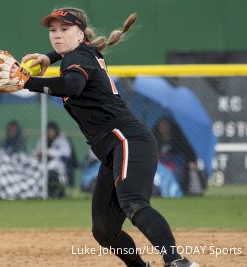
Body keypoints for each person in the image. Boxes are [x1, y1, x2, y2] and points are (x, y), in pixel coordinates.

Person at [19, 7, 198, 267]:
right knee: (103, 229)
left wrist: (26, 81)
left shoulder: (77, 59)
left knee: (134, 204)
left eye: (64, 29)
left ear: (80, 33)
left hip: (127, 140)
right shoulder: (85, 53)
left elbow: (72, 86)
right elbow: (74, 61)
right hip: (115, 149)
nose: (57, 35)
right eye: (52, 30)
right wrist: (49, 58)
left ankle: (177, 261)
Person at [153, 117, 205, 196]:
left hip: (175, 164)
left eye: (166, 125)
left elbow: (186, 153)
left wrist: (191, 161)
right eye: (162, 125)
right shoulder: (154, 140)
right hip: (160, 165)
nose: (164, 128)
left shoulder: (177, 140)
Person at [35, 121, 75, 190]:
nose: (50, 132)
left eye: (52, 130)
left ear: (56, 130)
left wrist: (47, 152)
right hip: (43, 163)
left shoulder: (62, 139)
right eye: (48, 131)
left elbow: (66, 154)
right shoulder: (43, 140)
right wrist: (40, 153)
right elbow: (37, 151)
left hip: (59, 166)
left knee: (53, 165)